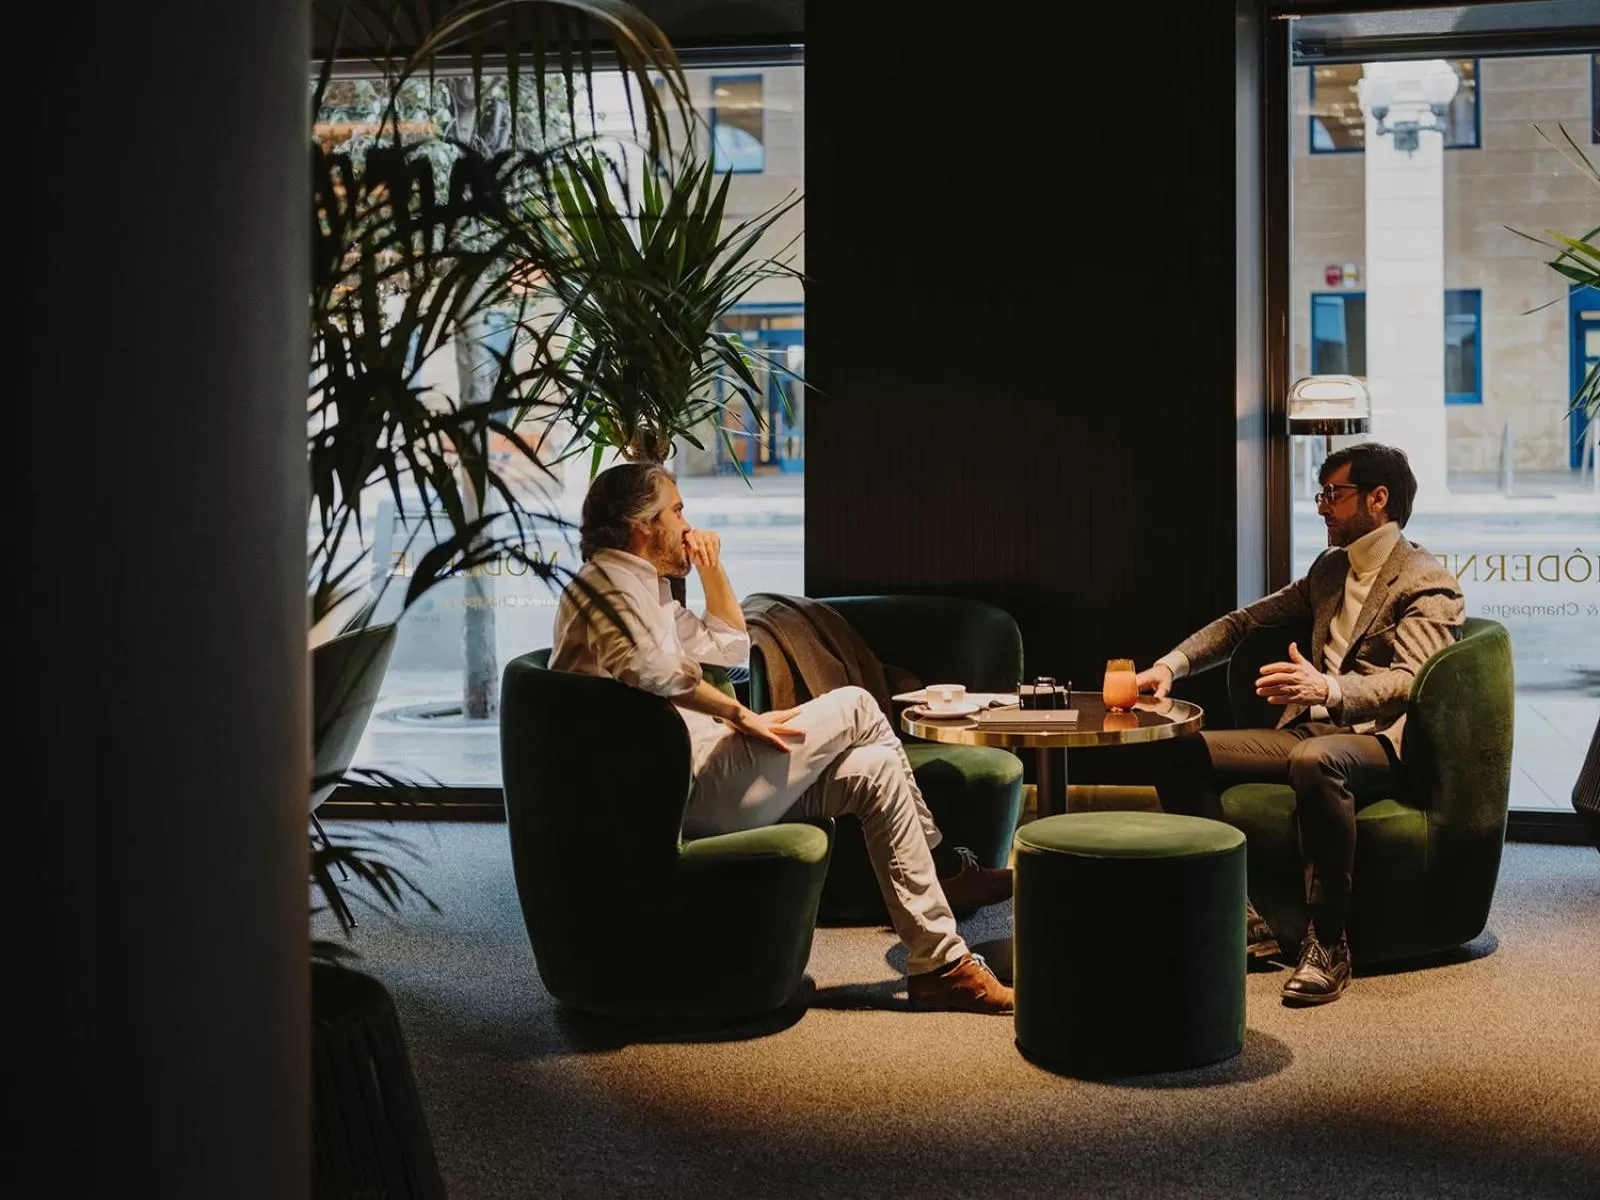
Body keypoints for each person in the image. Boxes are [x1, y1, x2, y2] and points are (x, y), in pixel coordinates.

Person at [551, 462, 1015, 1014]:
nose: (687, 523)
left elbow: (725, 646)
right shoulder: (602, 584)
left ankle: (939, 964)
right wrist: (740, 716)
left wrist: (711, 570)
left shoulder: (641, 586)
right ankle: (944, 866)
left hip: (706, 779)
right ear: (641, 524)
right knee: (860, 704)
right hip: (678, 793)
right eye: (677, 511)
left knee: (875, 770)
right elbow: (649, 670)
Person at [1136, 443, 1463, 1005]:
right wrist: (1170, 667)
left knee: (1316, 759)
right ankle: (1244, 918)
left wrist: (1328, 689)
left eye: (1333, 495)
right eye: (1322, 495)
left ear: (1378, 499)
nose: (1321, 508)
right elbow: (1242, 622)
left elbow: (1410, 680)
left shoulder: (1425, 582)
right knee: (1175, 745)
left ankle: (1329, 944)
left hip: (1378, 740)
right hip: (1310, 730)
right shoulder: (1330, 570)